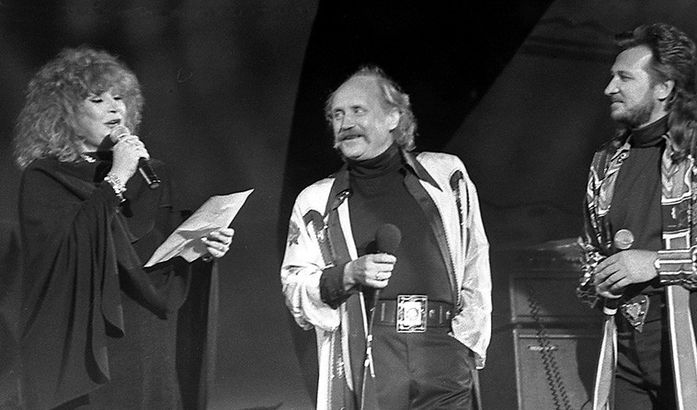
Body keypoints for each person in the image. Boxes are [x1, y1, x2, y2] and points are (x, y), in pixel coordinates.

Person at [13, 46, 234, 410]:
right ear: (63, 113)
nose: (115, 108)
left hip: (149, 341)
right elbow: (67, 256)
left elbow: (164, 266)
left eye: (119, 98)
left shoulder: (151, 174)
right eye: (97, 99)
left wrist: (204, 249)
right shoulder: (46, 178)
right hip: (89, 349)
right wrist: (117, 176)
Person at [577, 23, 697, 409]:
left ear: (664, 88)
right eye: (611, 77)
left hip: (692, 343)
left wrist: (657, 263)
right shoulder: (605, 160)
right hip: (624, 344)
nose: (609, 88)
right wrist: (597, 281)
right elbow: (590, 250)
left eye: (624, 78)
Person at [280, 66, 491, 410]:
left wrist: (467, 343)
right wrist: (347, 275)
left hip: (443, 351)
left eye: (357, 110)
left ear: (393, 117)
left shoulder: (447, 176)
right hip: (373, 353)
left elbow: (475, 260)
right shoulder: (316, 201)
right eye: (338, 114)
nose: (346, 123)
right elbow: (293, 286)